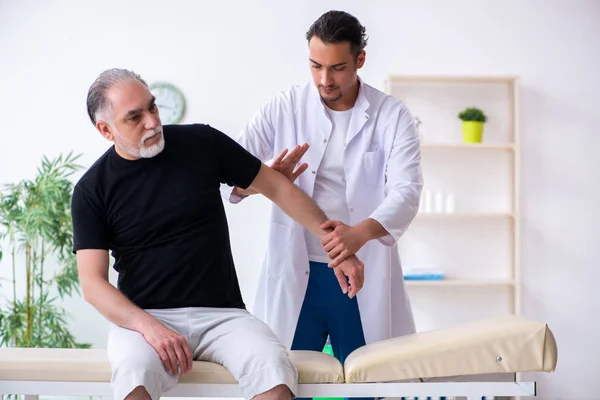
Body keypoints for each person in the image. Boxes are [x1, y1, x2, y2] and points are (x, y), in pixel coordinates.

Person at [72, 68, 364, 400]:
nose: (152, 122)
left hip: (223, 316)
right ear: (106, 130)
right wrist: (148, 327)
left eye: (152, 108)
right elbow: (93, 285)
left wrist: (338, 249)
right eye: (134, 117)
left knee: (275, 372)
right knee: (133, 379)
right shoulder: (91, 191)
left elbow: (278, 189)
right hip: (146, 319)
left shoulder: (201, 142)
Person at [220, 9, 423, 378]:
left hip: (363, 275)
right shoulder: (283, 107)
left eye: (337, 68)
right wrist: (265, 180)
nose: (324, 79)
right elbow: (228, 176)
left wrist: (357, 235)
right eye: (315, 66)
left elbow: (407, 191)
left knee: (370, 382)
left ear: (360, 60)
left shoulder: (391, 115)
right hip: (298, 271)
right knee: (285, 380)